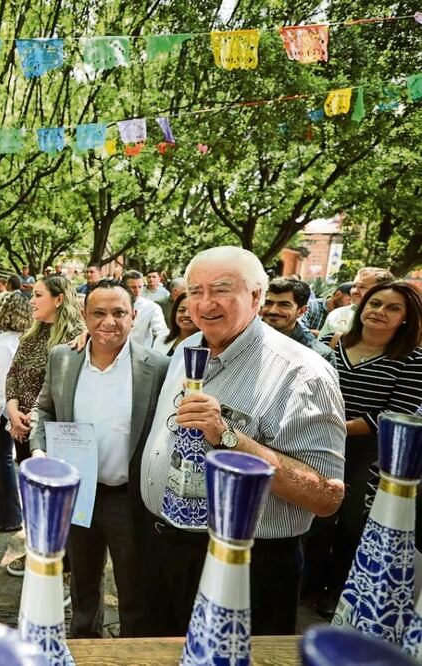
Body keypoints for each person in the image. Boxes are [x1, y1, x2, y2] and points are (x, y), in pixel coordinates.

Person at [139, 246, 345, 637]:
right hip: (164, 548)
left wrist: (228, 436)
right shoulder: (186, 349)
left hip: (246, 566)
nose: (205, 303)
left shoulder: (303, 373)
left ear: (256, 296)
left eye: (220, 289)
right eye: (195, 291)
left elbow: (327, 496)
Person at [29, 279, 169, 638]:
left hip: (128, 499)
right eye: (99, 313)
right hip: (79, 496)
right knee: (83, 586)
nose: (109, 321)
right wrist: (39, 449)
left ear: (134, 316)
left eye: (119, 312)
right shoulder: (63, 358)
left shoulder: (157, 367)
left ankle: (132, 655)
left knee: (133, 589)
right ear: (85, 317)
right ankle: (84, 648)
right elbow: (43, 409)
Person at [317, 281, 422, 617]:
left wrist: (339, 429)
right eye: (375, 304)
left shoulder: (413, 358)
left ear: (405, 319)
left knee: (351, 524)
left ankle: (337, 591)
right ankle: (309, 583)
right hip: (322, 445)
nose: (380, 312)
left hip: (370, 454)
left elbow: (395, 412)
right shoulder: (336, 345)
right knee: (316, 517)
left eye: (393, 308)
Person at [4, 275, 85, 577]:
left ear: (59, 299)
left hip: (55, 434)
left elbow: (61, 390)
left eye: (38, 295)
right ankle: (36, 551)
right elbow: (13, 374)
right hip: (22, 430)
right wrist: (13, 411)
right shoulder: (32, 333)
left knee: (59, 502)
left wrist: (31, 417)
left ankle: (63, 567)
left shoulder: (77, 338)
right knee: (33, 498)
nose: (32, 300)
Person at [0, 291, 32, 533]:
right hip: (15, 412)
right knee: (2, 463)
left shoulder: (3, 346)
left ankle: (11, 516)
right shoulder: (23, 340)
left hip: (5, 414)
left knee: (3, 462)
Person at [260, 278, 334, 361]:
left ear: (301, 311)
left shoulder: (318, 355)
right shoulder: (246, 338)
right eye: (268, 303)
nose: (273, 311)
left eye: (284, 305)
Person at [318, 267, 394, 340]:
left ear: (383, 290)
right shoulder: (337, 314)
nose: (354, 291)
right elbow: (320, 348)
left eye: (362, 287)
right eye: (354, 286)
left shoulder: (391, 320)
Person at [124, 270, 169, 348]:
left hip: (140, 355)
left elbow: (162, 333)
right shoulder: (112, 305)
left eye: (140, 287)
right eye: (133, 287)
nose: (137, 291)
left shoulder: (152, 307)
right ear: (124, 287)